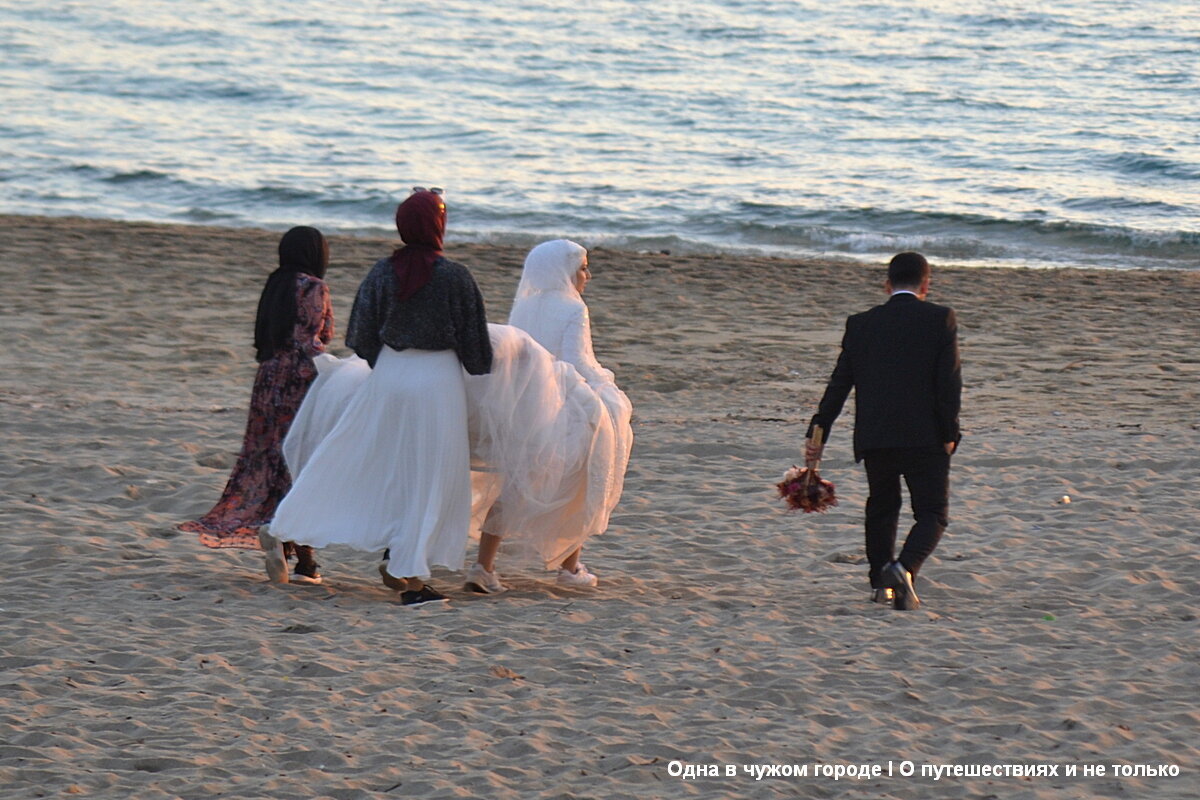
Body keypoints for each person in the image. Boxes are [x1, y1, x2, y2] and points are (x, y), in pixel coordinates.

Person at [266, 189, 492, 606]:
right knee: (429, 477)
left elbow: (360, 336)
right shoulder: (455, 276)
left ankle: (297, 523)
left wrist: (388, 362)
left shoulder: (381, 272)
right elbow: (477, 349)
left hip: (389, 374)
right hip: (436, 379)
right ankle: (411, 577)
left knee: (370, 459)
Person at [465, 239, 633, 594]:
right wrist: (607, 381)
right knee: (580, 479)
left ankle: (483, 566)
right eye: (583, 268)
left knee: (512, 483)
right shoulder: (574, 308)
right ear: (566, 273)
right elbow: (577, 361)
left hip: (523, 404)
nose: (588, 275)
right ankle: (570, 568)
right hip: (562, 400)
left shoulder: (526, 303)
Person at [805, 252, 961, 610]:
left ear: (887, 285)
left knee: (882, 508)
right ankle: (903, 568)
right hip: (927, 435)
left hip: (876, 435)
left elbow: (839, 383)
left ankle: (880, 586)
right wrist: (951, 430)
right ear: (926, 284)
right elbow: (949, 382)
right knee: (933, 513)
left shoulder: (860, 324)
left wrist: (819, 430)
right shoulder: (940, 319)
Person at [180, 226, 334, 585]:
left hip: (267, 379)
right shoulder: (314, 287)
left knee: (269, 459)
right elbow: (315, 339)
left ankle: (292, 548)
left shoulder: (275, 284)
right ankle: (302, 557)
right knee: (300, 462)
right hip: (299, 380)